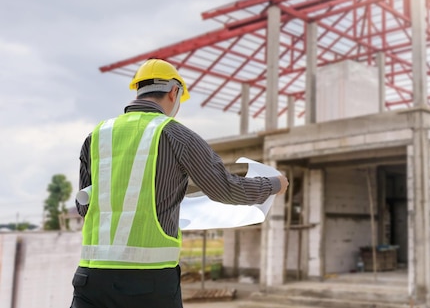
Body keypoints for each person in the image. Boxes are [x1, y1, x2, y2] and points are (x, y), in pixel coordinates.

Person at [70, 58, 288, 308]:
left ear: (138, 90)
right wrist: (274, 184)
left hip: (90, 279)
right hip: (149, 282)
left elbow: (85, 207)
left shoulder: (96, 136)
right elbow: (226, 189)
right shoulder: (177, 135)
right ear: (174, 92)